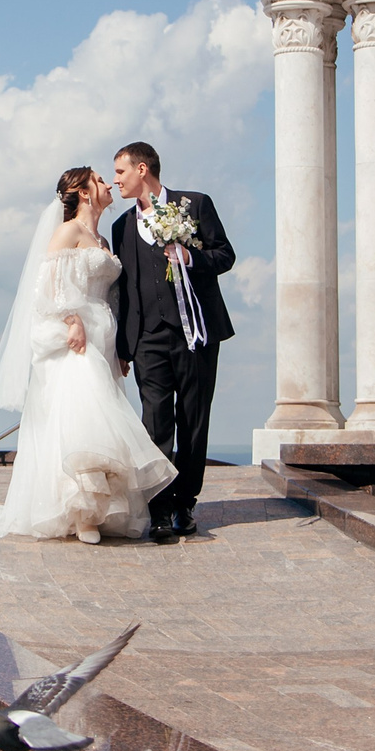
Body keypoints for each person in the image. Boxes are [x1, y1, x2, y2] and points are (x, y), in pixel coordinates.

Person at [0, 166, 175, 543]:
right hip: (76, 335)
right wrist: (72, 320)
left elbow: (114, 296)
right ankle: (81, 512)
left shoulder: (102, 237)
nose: (108, 183)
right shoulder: (68, 231)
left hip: (103, 337)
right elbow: (47, 286)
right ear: (84, 192)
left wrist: (120, 348)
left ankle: (101, 509)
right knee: (84, 415)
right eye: (100, 180)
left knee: (102, 415)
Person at [107, 141, 235, 544]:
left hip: (197, 334)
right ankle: (160, 510)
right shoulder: (121, 227)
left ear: (142, 169)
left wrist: (190, 258)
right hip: (147, 338)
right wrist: (123, 347)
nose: (116, 180)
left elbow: (225, 255)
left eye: (120, 172)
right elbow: (123, 291)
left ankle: (185, 504)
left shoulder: (195, 205)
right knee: (155, 424)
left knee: (193, 422)